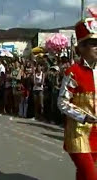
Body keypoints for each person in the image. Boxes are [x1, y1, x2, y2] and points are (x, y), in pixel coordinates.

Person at [57, 15, 97, 180]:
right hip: (78, 132)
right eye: (93, 44)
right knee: (90, 175)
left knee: (85, 175)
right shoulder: (73, 72)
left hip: (96, 132)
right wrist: (83, 116)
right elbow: (62, 102)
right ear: (81, 47)